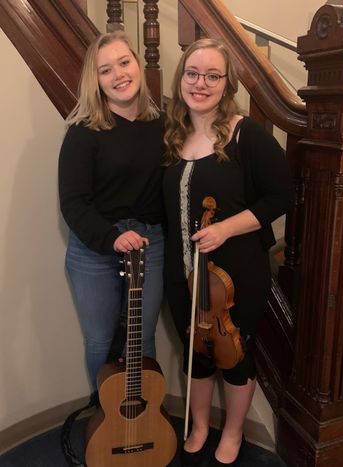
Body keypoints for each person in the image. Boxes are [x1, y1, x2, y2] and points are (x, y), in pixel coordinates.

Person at [163, 38, 292, 466]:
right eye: (193, 73)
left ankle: (233, 432)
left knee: (235, 357)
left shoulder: (245, 134)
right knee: (195, 355)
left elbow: (281, 197)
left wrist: (225, 230)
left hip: (235, 276)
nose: (201, 83)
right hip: (182, 273)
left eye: (212, 75)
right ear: (181, 77)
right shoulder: (172, 135)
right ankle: (200, 426)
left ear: (227, 83)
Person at [58, 31, 165, 393]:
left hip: (148, 243)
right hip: (94, 248)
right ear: (96, 81)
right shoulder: (82, 132)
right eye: (106, 70)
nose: (119, 74)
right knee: (101, 341)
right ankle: (105, 420)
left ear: (137, 63)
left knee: (142, 339)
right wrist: (112, 237)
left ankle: (141, 417)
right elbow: (73, 202)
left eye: (124, 62)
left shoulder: (162, 124)